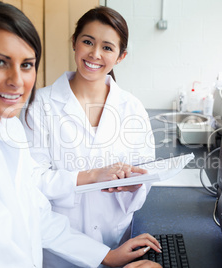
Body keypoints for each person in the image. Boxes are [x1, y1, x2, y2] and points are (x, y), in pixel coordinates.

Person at [0, 2, 162, 267]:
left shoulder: (6, 125)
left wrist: (105, 256)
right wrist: (88, 177)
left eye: (27, 64)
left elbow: (36, 214)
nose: (16, 81)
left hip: (99, 241)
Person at [20, 6, 156, 267]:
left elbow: (146, 171)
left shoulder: (132, 107)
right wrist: (90, 177)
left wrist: (133, 185)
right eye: (87, 42)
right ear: (74, 43)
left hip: (117, 240)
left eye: (107, 47)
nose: (95, 54)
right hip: (59, 253)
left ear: (121, 56)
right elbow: (31, 179)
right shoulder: (39, 105)